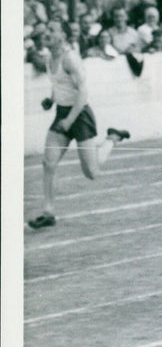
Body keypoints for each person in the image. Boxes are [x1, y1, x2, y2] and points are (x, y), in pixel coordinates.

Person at [27, 20, 130, 229]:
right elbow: (59, 85)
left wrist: (70, 120)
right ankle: (49, 212)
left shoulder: (70, 58)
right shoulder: (49, 58)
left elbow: (82, 93)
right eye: (47, 30)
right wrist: (51, 100)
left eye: (52, 30)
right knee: (49, 163)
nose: (46, 33)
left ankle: (112, 138)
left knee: (92, 172)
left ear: (63, 36)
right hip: (63, 113)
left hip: (79, 115)